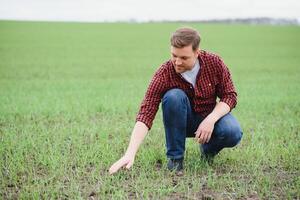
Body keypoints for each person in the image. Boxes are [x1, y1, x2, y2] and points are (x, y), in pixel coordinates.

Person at [109, 27, 243, 175]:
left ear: (197, 53)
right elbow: (146, 112)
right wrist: (130, 153)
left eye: (184, 58)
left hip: (209, 118)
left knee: (233, 132)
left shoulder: (214, 63)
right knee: (173, 96)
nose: (177, 62)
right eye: (174, 55)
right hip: (181, 123)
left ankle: (208, 150)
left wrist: (210, 120)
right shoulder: (165, 73)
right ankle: (175, 159)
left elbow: (229, 95)